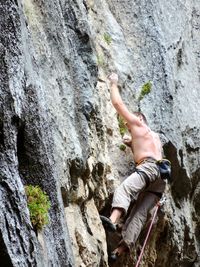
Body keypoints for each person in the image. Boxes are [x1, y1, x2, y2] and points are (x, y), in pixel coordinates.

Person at [100, 73, 168, 261]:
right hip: (160, 182)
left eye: (129, 123)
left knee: (125, 190)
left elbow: (118, 105)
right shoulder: (154, 137)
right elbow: (149, 152)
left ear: (140, 118)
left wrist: (113, 83)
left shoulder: (138, 123)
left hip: (148, 169)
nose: (127, 125)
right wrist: (131, 144)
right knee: (139, 214)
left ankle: (112, 220)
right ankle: (119, 251)